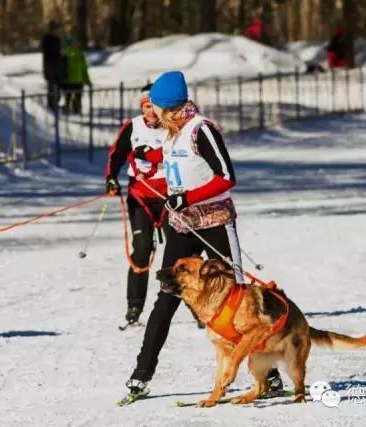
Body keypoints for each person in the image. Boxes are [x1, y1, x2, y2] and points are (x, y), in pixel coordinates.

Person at [124, 71, 283, 398]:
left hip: (216, 223)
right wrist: (168, 193)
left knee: (239, 301)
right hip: (182, 227)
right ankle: (142, 372)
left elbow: (226, 177)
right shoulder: (170, 133)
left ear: (168, 107)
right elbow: (179, 172)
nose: (149, 113)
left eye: (153, 106)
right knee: (166, 298)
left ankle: (270, 374)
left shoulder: (201, 130)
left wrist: (186, 198)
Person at [105, 84, 168, 326]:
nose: (150, 112)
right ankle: (134, 306)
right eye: (146, 106)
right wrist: (111, 179)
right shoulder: (133, 127)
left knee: (177, 252)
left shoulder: (173, 127)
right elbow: (117, 154)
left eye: (154, 106)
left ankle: (196, 308)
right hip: (140, 196)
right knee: (142, 250)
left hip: (169, 197)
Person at [61, 34, 91, 114]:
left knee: (78, 99)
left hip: (79, 81)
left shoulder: (80, 54)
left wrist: (87, 80)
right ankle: (67, 111)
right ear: (70, 43)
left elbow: (84, 69)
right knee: (68, 98)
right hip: (68, 81)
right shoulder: (65, 54)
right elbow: (62, 68)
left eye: (76, 42)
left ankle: (77, 111)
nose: (76, 43)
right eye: (74, 42)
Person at [40, 20, 62, 110]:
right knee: (52, 86)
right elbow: (47, 53)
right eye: (56, 29)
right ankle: (51, 104)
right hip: (50, 66)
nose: (57, 31)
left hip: (57, 66)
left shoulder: (57, 39)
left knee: (57, 86)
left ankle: (55, 103)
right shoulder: (47, 39)